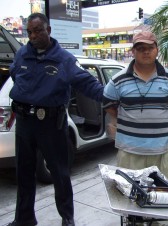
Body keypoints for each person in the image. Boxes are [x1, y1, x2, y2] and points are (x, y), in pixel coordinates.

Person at [8, 13, 104, 226]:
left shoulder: (65, 59)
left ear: (48, 30)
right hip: (24, 122)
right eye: (29, 32)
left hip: (50, 124)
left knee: (60, 174)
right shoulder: (23, 54)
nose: (33, 36)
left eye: (37, 31)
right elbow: (15, 74)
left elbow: (87, 83)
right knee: (23, 173)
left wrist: (109, 96)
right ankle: (24, 219)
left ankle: (67, 219)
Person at [103, 31, 168, 179]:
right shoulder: (118, 80)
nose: (146, 51)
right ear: (133, 51)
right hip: (129, 152)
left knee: (161, 198)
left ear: (157, 50)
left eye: (150, 47)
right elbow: (107, 103)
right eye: (140, 48)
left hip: (161, 151)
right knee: (130, 199)